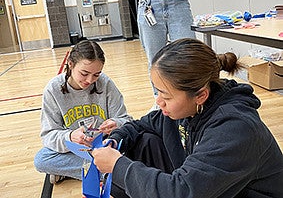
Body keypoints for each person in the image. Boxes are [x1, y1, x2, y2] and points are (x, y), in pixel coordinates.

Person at [91, 38, 283, 198]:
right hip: (211, 188)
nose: (159, 101)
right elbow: (142, 124)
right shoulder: (188, 108)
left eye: (165, 96)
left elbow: (181, 192)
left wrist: (117, 166)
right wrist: (115, 140)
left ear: (200, 95)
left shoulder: (234, 128)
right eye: (157, 92)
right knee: (144, 142)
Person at [34, 39, 132, 184]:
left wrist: (116, 123)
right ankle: (107, 172)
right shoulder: (53, 89)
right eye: (84, 73)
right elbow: (49, 135)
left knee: (139, 143)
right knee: (42, 159)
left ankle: (84, 171)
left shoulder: (106, 84)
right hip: (76, 150)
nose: (90, 80)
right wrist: (70, 136)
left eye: (96, 74)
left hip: (104, 145)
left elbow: (127, 120)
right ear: (70, 64)